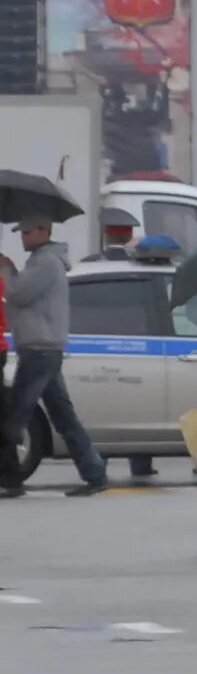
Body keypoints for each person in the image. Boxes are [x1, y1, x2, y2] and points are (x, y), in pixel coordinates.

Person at [4, 214, 110, 499]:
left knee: (16, 413)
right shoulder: (42, 261)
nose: (23, 238)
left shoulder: (46, 263)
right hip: (43, 348)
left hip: (39, 349)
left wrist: (5, 270)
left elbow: (16, 294)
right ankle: (95, 473)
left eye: (26, 232)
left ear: (43, 230)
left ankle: (10, 478)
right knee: (63, 416)